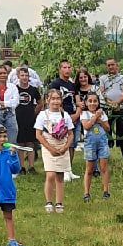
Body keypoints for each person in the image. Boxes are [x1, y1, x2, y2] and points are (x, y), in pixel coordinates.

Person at [35, 85, 73, 213]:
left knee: (60, 175)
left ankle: (59, 202)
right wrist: (50, 148)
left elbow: (71, 133)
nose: (56, 101)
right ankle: (49, 201)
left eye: (58, 98)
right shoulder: (42, 115)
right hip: (48, 145)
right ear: (47, 100)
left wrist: (65, 147)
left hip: (62, 145)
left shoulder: (65, 115)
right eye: (53, 99)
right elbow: (38, 134)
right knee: (50, 174)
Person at [79, 90, 112, 201]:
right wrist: (95, 118)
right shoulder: (84, 114)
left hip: (102, 143)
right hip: (90, 144)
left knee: (104, 167)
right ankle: (86, 193)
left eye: (95, 101)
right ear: (86, 103)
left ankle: (106, 191)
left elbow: (107, 128)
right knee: (89, 169)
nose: (93, 103)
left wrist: (100, 119)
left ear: (98, 102)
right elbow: (87, 126)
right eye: (90, 101)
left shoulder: (102, 114)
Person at [99, 58, 123, 161]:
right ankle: (105, 157)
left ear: (117, 65)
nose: (110, 67)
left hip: (121, 108)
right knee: (106, 132)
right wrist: (110, 103)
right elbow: (102, 92)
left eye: (112, 65)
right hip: (107, 108)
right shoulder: (103, 78)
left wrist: (118, 102)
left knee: (122, 132)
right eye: (108, 65)